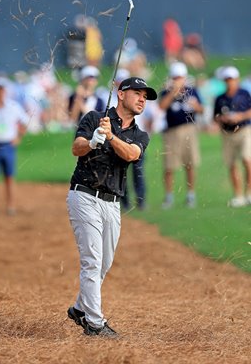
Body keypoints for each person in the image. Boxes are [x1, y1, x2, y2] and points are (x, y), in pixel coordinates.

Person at [66, 76, 157, 337]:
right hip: (84, 196)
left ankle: (80, 308)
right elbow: (76, 148)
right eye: (138, 93)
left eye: (145, 97)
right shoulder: (95, 118)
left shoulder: (140, 134)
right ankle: (94, 323)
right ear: (121, 94)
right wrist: (93, 140)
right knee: (92, 262)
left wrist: (110, 136)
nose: (142, 99)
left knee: (104, 264)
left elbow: (131, 154)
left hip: (112, 204)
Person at [159, 62, 204, 209]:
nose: (178, 80)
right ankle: (169, 196)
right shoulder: (166, 92)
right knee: (169, 166)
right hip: (172, 131)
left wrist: (194, 105)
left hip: (189, 129)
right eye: (175, 77)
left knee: (190, 163)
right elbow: (162, 107)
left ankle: (191, 195)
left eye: (180, 77)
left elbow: (201, 109)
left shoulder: (192, 91)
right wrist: (173, 92)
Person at [0, 78, 29, 215]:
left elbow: (24, 122)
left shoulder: (13, 107)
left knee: (9, 177)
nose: (0, 92)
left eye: (2, 89)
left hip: (8, 146)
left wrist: (19, 137)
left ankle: (11, 206)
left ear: (5, 91)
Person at [213, 66, 251, 207]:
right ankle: (238, 195)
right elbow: (215, 117)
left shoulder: (245, 93)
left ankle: (249, 192)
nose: (229, 82)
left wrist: (240, 116)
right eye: (227, 79)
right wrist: (223, 119)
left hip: (244, 130)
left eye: (232, 79)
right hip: (227, 134)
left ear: (237, 79)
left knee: (247, 160)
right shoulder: (220, 98)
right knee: (232, 164)